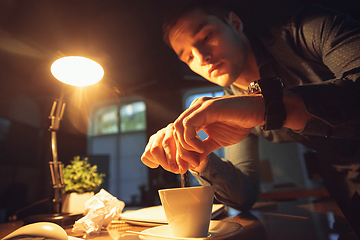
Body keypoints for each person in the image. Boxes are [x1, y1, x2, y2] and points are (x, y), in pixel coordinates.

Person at [141, 0, 360, 236]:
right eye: (188, 58)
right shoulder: (231, 105)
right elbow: (243, 196)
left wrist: (263, 107)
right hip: (342, 180)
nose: (201, 57)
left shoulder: (307, 30)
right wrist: (198, 157)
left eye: (205, 37)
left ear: (234, 23)